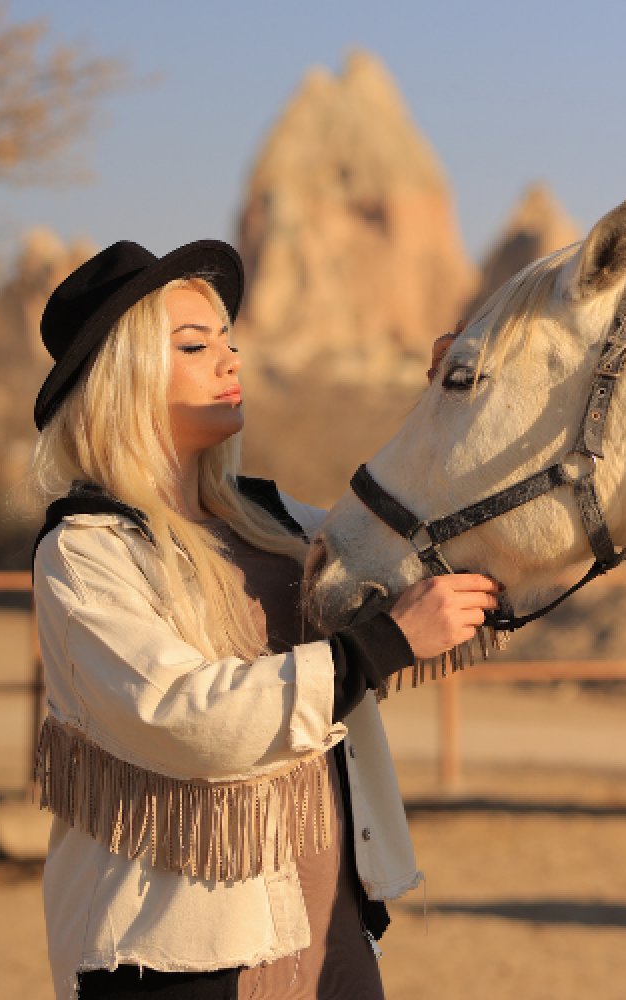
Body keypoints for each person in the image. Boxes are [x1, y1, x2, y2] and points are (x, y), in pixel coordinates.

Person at [29, 239, 499, 1000]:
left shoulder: (274, 520)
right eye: (194, 345)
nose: (229, 360)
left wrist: (457, 401)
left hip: (328, 926)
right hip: (178, 956)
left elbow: (427, 551)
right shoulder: (87, 552)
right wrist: (382, 646)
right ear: (123, 378)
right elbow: (179, 716)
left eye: (228, 342)